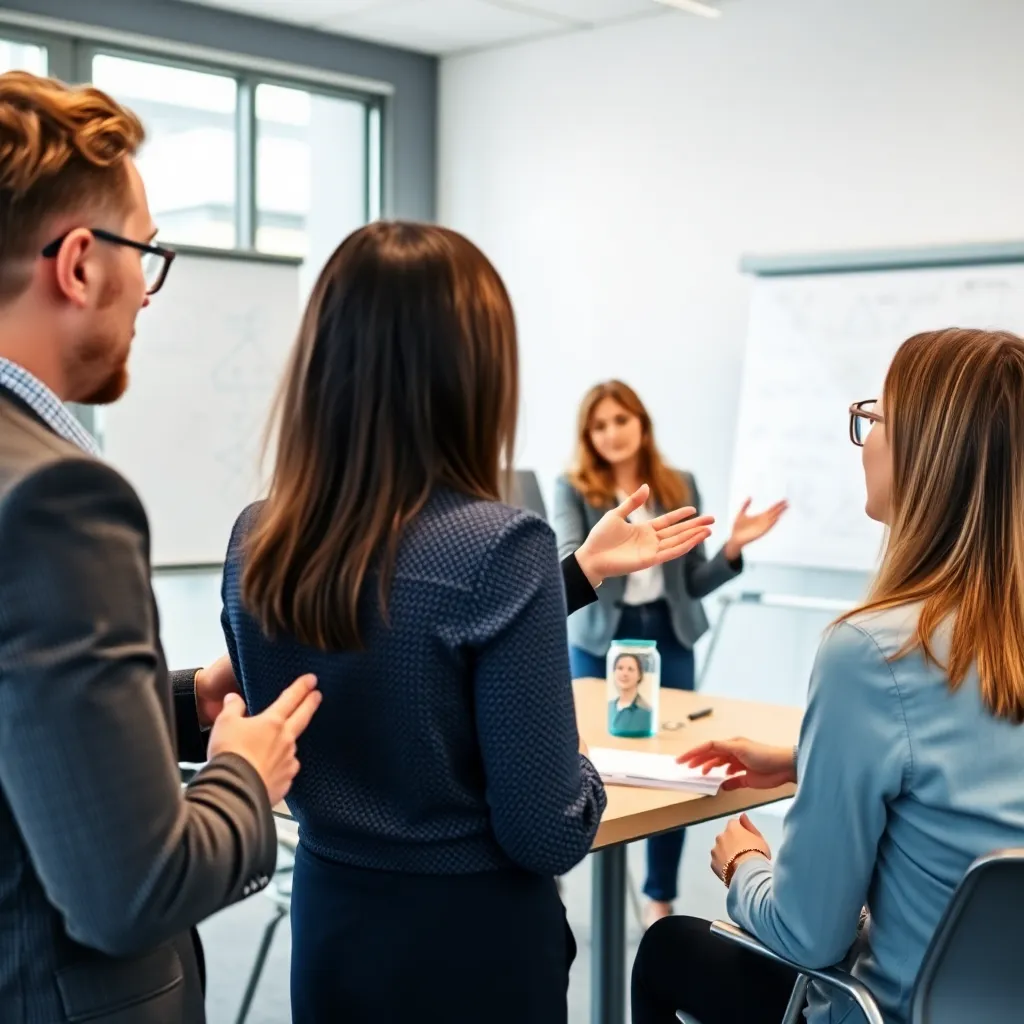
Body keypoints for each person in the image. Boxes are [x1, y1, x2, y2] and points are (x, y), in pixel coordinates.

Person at [220, 222, 715, 1024]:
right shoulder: (499, 544)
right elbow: (546, 833)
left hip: (332, 926)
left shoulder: (256, 536)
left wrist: (582, 569)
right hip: (472, 949)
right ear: (471, 371)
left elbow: (401, 621)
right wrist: (582, 766)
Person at [0, 71, 322, 1024]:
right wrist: (244, 774)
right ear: (81, 264)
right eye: (147, 254)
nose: (149, 291)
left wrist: (178, 704)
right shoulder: (59, 495)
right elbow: (127, 892)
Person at [631, 327, 1024, 1024]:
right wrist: (800, 763)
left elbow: (809, 933)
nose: (865, 436)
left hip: (886, 1010)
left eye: (877, 416)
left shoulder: (874, 653)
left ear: (925, 454)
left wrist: (743, 864)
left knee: (668, 948)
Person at [554, 379, 786, 926]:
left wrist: (731, 550)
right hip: (597, 637)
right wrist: (607, 557)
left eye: (621, 420)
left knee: (675, 766)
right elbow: (569, 556)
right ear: (589, 434)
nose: (611, 433)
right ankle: (553, 882)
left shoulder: (678, 482)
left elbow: (692, 580)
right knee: (574, 755)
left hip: (666, 634)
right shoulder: (574, 486)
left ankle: (661, 897)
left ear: (641, 423)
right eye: (600, 424)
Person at [608, 651, 653, 735]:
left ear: (639, 675)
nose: (624, 674)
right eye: (620, 668)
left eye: (630, 669)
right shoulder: (610, 706)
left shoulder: (646, 712)